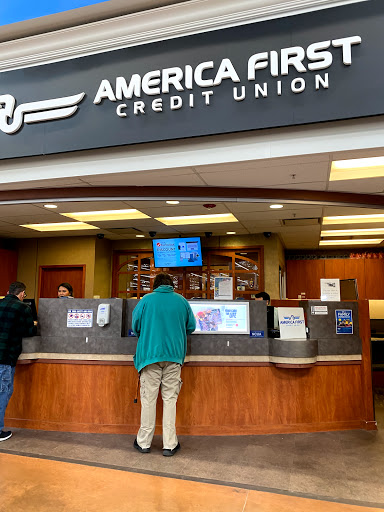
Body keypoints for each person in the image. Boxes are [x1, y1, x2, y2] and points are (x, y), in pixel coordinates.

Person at [132, 273, 196, 457]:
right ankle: (169, 444)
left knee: (148, 399)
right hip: (174, 355)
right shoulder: (182, 301)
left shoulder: (146, 300)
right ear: (171, 285)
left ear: (155, 285)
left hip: (149, 355)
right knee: (170, 399)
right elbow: (191, 326)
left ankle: (144, 442)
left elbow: (135, 325)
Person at [0, 282, 37, 441]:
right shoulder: (23, 308)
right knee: (2, 392)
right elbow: (29, 331)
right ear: (22, 293)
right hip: (5, 355)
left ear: (8, 292)